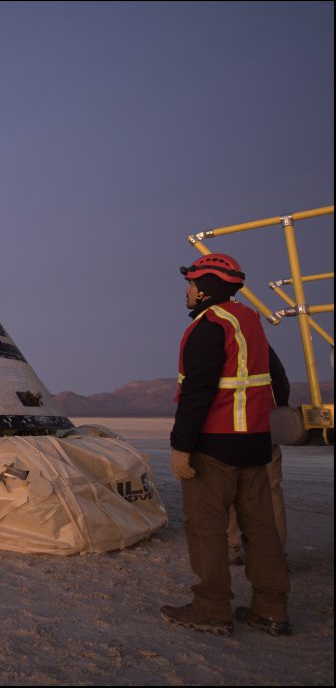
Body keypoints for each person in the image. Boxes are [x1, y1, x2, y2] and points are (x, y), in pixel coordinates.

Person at [161, 253, 291, 637]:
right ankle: (271, 608)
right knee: (261, 528)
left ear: (205, 290)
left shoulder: (208, 328)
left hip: (214, 446)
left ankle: (212, 608)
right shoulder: (249, 322)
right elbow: (277, 380)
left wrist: (181, 446)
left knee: (206, 529)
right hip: (255, 443)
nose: (187, 291)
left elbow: (197, 393)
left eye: (191, 284)